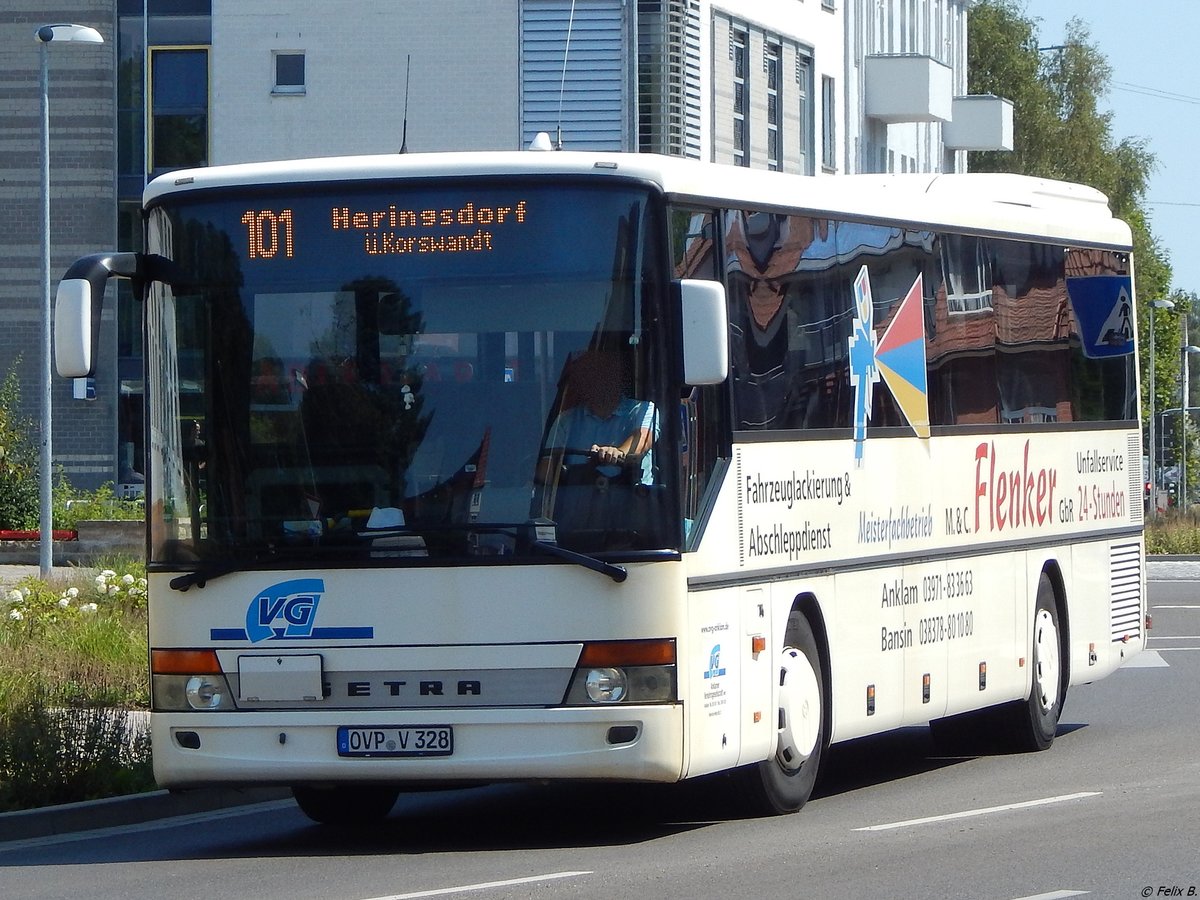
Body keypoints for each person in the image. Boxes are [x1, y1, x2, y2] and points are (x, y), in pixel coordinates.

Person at [537, 350, 658, 487]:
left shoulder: (644, 409)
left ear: (617, 378)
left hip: (634, 500)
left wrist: (617, 453)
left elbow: (641, 442)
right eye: (588, 376)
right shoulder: (566, 420)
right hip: (577, 500)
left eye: (604, 374)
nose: (598, 381)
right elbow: (545, 471)